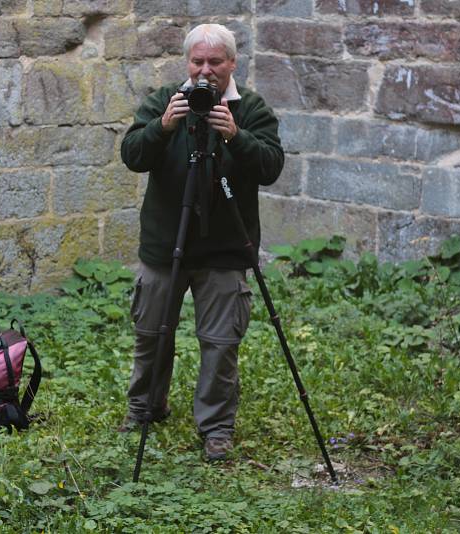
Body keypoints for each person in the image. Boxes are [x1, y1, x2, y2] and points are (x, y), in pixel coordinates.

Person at [118, 23, 284, 462]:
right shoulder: (163, 101)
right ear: (186, 63)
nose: (205, 71)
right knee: (151, 332)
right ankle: (145, 408)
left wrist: (236, 135)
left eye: (215, 62)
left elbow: (270, 166)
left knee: (220, 342)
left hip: (226, 245)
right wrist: (163, 126)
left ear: (232, 63)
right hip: (164, 242)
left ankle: (216, 428)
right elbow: (132, 155)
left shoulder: (250, 110)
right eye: (197, 62)